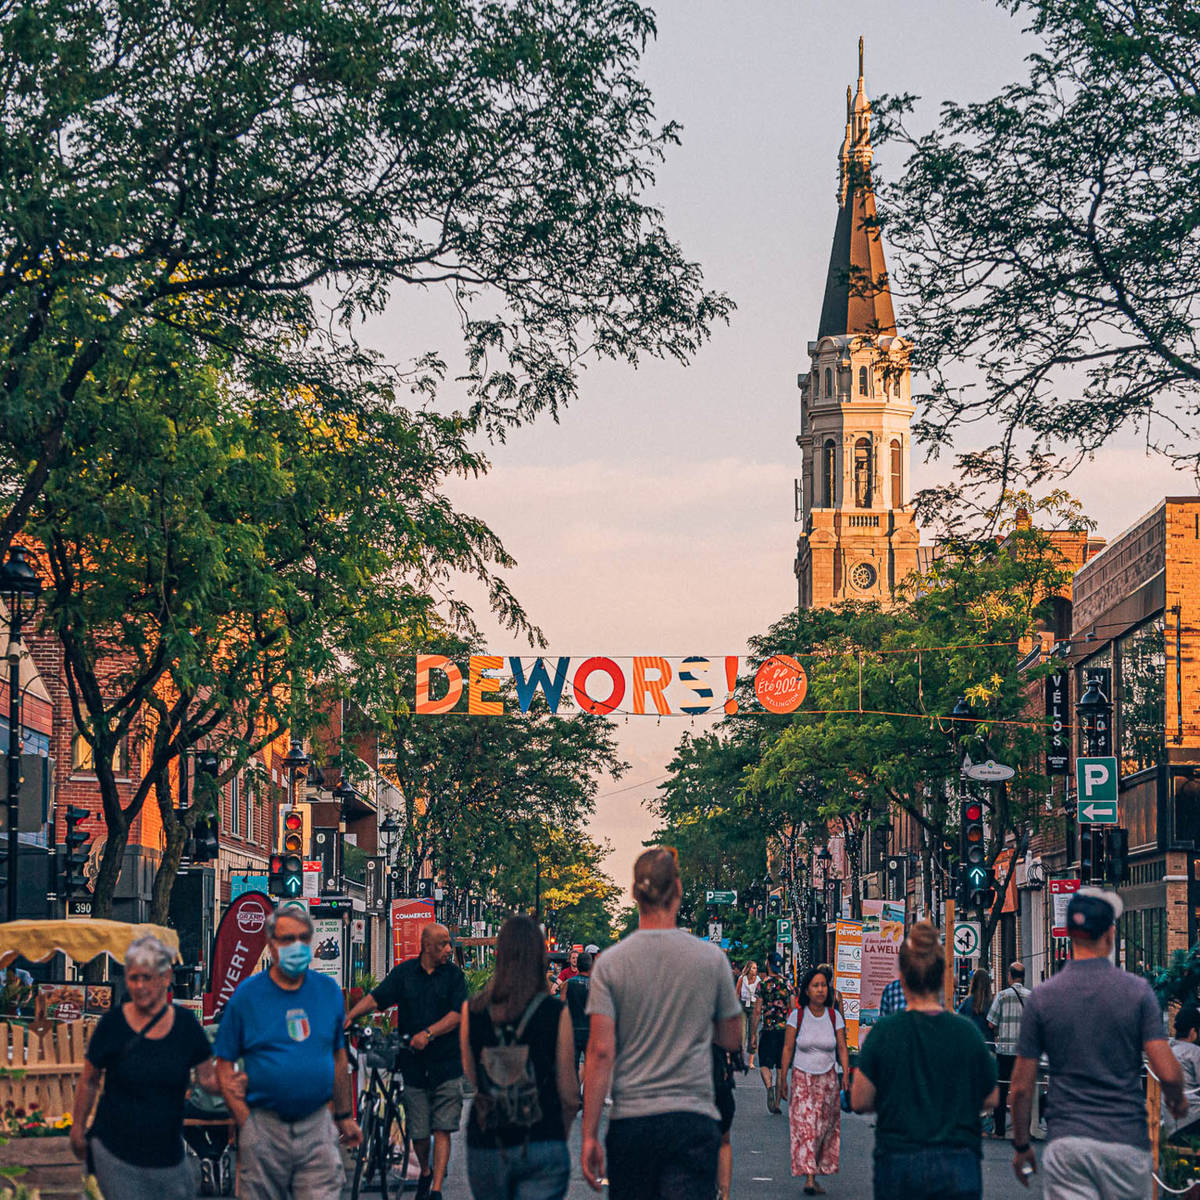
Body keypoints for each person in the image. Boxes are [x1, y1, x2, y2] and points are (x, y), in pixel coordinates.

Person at [581, 847, 742, 1198]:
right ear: (678, 889)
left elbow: (600, 1051)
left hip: (633, 1119)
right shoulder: (710, 959)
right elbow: (732, 1037)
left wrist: (590, 1133)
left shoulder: (610, 964)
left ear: (634, 894)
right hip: (692, 1116)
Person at [1008, 886, 1186, 1196]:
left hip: (1068, 1144)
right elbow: (1167, 1071)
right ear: (1110, 933)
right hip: (1124, 1142)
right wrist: (1177, 1099)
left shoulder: (1043, 998)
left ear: (1071, 935)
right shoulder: (1137, 992)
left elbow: (1021, 1087)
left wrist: (1022, 1145)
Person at [214, 904, 360, 1200]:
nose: (297, 946)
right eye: (287, 939)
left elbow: (337, 1056)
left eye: (303, 938)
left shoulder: (329, 992)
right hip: (265, 1125)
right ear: (271, 944)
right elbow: (224, 1064)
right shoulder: (247, 996)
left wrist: (344, 1115)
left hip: (316, 1125)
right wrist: (246, 1120)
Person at [851, 922, 997, 1200]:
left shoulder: (884, 1033)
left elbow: (859, 1100)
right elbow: (990, 1097)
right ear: (943, 976)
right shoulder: (965, 1033)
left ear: (902, 978)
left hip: (899, 1159)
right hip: (957, 1161)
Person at [69, 935, 217, 1200]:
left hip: (168, 1154)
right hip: (113, 1151)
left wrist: (246, 1082)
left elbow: (208, 1078)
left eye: (146, 978)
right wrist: (78, 1128)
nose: (139, 986)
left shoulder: (184, 1026)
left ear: (165, 977)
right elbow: (90, 1079)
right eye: (133, 977)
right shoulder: (113, 1025)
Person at [460, 914, 579, 1200]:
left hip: (488, 1140)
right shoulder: (555, 1013)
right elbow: (570, 1095)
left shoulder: (472, 1011)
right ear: (540, 957)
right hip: (541, 1136)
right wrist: (556, 1137)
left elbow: (473, 1075)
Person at [346, 922, 467, 1200]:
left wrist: (429, 1033)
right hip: (414, 1065)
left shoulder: (453, 977)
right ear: (426, 946)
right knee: (420, 1131)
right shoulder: (404, 975)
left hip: (446, 1065)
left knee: (443, 1127)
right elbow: (378, 998)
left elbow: (458, 1014)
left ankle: (436, 1189)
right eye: (443, 944)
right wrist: (351, 1016)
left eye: (449, 943)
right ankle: (425, 1170)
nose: (449, 949)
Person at [779, 966, 849, 1196]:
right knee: (806, 1126)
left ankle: (814, 1172)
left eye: (823, 986)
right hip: (802, 1077)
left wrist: (846, 1073)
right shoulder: (796, 1016)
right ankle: (809, 1177)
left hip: (828, 1077)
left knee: (823, 1128)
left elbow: (841, 1047)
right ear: (807, 991)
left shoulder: (834, 1016)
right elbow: (788, 1047)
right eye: (815, 986)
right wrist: (782, 1079)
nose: (820, 990)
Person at [985, 961, 1030, 1139]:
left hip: (1005, 1051)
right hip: (1023, 1053)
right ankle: (1023, 1130)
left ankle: (1000, 1130)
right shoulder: (1031, 996)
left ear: (1010, 976)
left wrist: (1000, 1029)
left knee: (1002, 1091)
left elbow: (991, 1022)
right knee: (1023, 1092)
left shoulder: (1003, 996)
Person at [754, 953, 793, 1114]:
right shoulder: (787, 985)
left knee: (764, 1064)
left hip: (768, 1029)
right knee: (780, 1067)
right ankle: (776, 1104)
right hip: (783, 1031)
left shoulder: (762, 985)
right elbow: (793, 1007)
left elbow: (757, 1010)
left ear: (768, 964)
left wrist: (752, 1034)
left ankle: (769, 1087)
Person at [1165, 1005, 1200, 1142]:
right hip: (1191, 1122)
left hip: (1170, 1125)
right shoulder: (1194, 1052)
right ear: (1193, 1031)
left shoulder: (1167, 1050)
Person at [565, 951, 594, 1070]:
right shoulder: (596, 984)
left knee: (573, 1068)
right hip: (591, 1030)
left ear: (578, 965)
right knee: (591, 1067)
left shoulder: (568, 984)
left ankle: (575, 1088)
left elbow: (562, 1006)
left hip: (573, 1029)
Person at [957, 968, 993, 1040]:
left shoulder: (966, 1002)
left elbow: (959, 1021)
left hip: (970, 1041)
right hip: (987, 1042)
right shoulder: (991, 1003)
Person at [738, 962, 760, 1065]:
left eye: (756, 968)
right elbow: (737, 993)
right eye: (753, 968)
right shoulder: (742, 979)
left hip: (753, 1006)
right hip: (742, 1005)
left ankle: (751, 1061)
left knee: (753, 1033)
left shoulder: (759, 981)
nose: (755, 970)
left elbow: (760, 996)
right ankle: (741, 1059)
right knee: (742, 1033)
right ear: (748, 969)